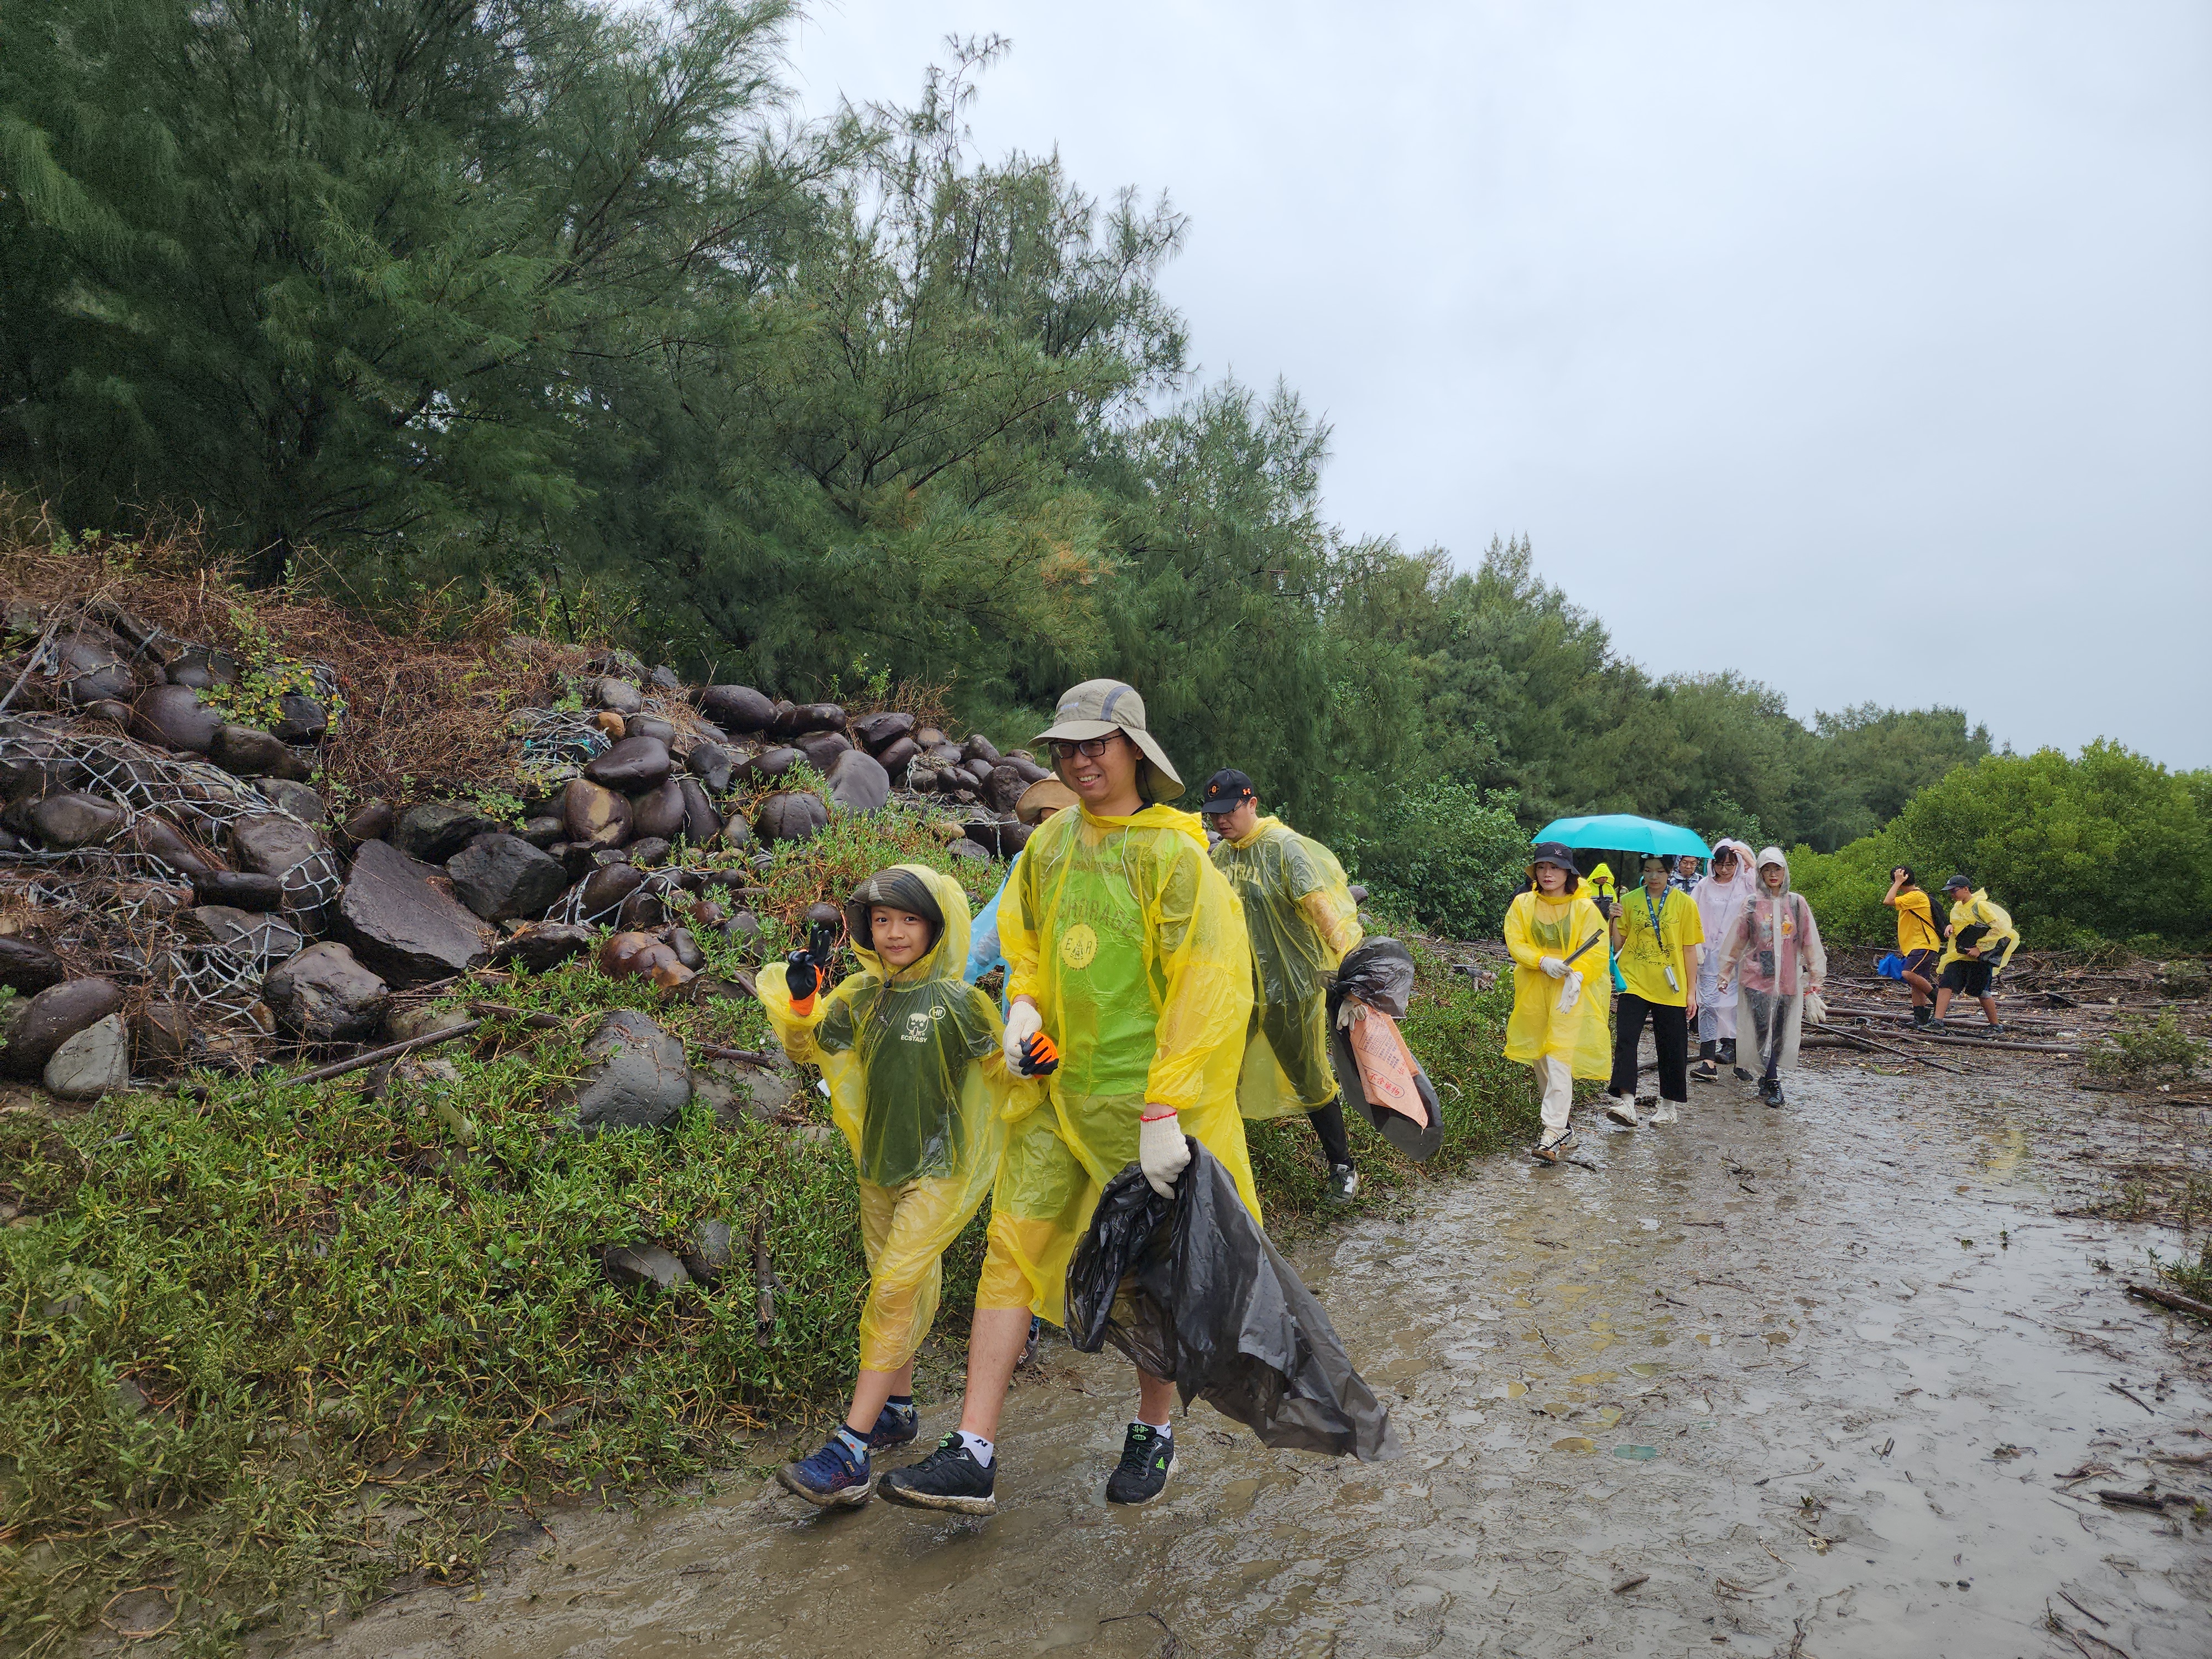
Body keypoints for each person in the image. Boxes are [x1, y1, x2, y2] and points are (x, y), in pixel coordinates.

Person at [880, 680, 1255, 1516]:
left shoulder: (1175, 857)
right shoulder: (1046, 852)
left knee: (1150, 1270)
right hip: (1055, 1095)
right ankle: (972, 1449)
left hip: (1148, 1105)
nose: (1081, 758)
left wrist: (1167, 1108)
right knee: (1012, 1246)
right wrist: (1022, 1010)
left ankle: (1152, 1429)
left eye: (1099, 742)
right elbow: (1029, 948)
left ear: (1134, 751)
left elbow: (1208, 986)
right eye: (1068, 745)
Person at [757, 865, 1019, 1506]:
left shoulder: (960, 1004)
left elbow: (1006, 1075)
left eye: (908, 919)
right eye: (881, 920)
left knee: (896, 1287)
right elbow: (806, 1047)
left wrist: (1035, 1059)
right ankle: (897, 1410)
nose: (894, 933)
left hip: (942, 1170)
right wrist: (800, 1001)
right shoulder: (861, 998)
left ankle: (850, 1450)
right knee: (890, 1287)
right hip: (879, 1168)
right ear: (863, 928)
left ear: (937, 926)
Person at [1201, 768, 1366, 1202]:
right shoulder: (1220, 858)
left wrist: (1350, 973)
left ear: (1252, 804)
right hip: (1238, 992)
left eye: (1229, 811)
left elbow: (1323, 911)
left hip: (1292, 989)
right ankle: (1216, 1174)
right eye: (1213, 814)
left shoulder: (1284, 849)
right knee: (1221, 1077)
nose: (1221, 821)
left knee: (1309, 1075)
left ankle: (1343, 1166)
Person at [1503, 842, 1613, 1163]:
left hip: (1569, 994)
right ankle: (1563, 1127)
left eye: (1555, 867)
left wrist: (1577, 974)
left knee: (1559, 1057)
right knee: (1541, 1056)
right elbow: (1516, 942)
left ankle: (1551, 1132)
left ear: (1569, 873)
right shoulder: (1523, 904)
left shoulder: (1584, 909)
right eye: (1542, 867)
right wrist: (1542, 961)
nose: (1548, 873)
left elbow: (1596, 950)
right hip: (1534, 991)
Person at [1718, 847, 1827, 1108]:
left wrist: (1815, 976)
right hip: (1756, 978)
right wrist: (1725, 971)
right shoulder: (1752, 904)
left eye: (1777, 869)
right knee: (1761, 1029)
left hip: (1788, 978)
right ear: (1760, 874)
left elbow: (1810, 941)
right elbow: (1738, 940)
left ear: (1785, 871)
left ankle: (1768, 1077)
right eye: (1767, 869)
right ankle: (1773, 1080)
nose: (1772, 874)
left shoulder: (1797, 904)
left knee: (1780, 1031)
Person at [1608, 851, 1704, 1124]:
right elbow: (1618, 946)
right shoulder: (1628, 901)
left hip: (1671, 985)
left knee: (1672, 1046)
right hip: (1634, 980)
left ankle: (1668, 1108)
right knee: (1627, 1040)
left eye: (1660, 871)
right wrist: (1614, 919)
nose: (1653, 876)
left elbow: (1689, 951)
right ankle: (1627, 1104)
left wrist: (1691, 992)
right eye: (1648, 870)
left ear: (1669, 872)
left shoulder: (1685, 904)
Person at [965, 779, 1079, 998]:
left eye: (1060, 821)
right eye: (1045, 822)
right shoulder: (1026, 861)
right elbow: (1003, 922)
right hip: (1026, 989)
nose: (1049, 831)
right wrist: (958, 968)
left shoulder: (1106, 868)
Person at [1691, 838, 1756, 1082]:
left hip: (1741, 954)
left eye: (1731, 864)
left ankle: (1742, 1060)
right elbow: (1692, 915)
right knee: (1709, 1004)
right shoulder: (1703, 886)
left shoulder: (1746, 885)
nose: (1725, 870)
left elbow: (1765, 891)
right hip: (1710, 955)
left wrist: (1750, 861)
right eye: (1721, 864)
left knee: (1741, 1005)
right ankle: (1707, 1060)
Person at [1932, 874, 2018, 1034]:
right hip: (1960, 954)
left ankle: (1995, 1025)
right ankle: (1937, 1022)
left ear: (1966, 889)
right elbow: (1958, 923)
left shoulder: (1980, 906)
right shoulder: (1957, 907)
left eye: (1954, 891)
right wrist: (1949, 927)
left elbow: (1998, 928)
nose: (1952, 895)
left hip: (1979, 957)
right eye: (1950, 892)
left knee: (1981, 990)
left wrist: (1980, 948)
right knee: (1946, 982)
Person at [1882, 865, 1946, 1026]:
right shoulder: (1910, 898)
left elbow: (1888, 901)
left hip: (1924, 944)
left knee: (1908, 973)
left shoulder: (1916, 896)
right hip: (1914, 946)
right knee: (1916, 982)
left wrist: (1897, 882)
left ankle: (1939, 1000)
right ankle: (1920, 1018)